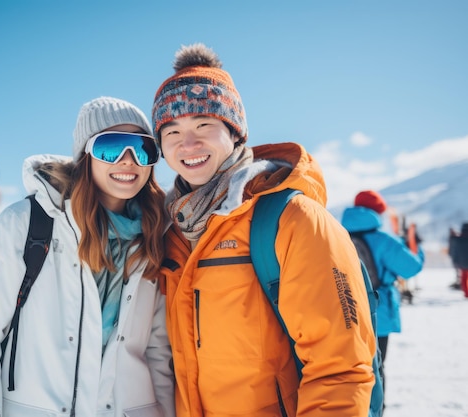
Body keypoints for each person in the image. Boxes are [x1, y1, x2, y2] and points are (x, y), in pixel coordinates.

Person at [152, 43, 377, 416]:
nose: (187, 143)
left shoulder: (292, 219)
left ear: (236, 133)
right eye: (171, 131)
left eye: (204, 125)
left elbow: (340, 368)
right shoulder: (169, 231)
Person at [0, 96, 175, 417]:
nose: (128, 160)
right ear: (85, 155)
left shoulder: (156, 236)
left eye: (143, 149)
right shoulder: (26, 224)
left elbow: (156, 353)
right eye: (111, 147)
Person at [341, 189, 425, 410]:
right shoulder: (384, 240)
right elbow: (411, 267)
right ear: (378, 212)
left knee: (349, 367)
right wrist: (415, 245)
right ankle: (376, 410)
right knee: (376, 367)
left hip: (343, 310)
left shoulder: (337, 235)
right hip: (378, 312)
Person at [449, 222, 468, 298]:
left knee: (463, 278)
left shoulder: (458, 239)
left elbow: (454, 251)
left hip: (462, 263)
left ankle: (466, 293)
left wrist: (455, 261)